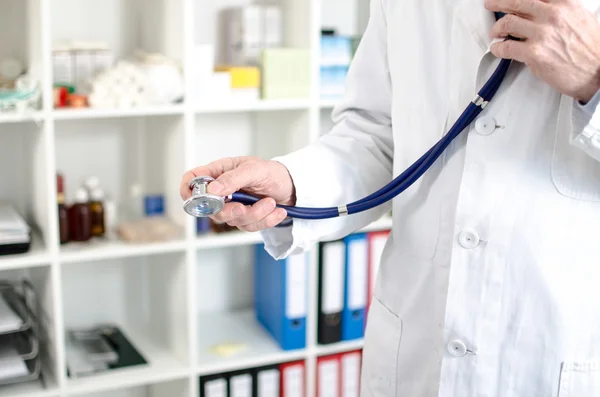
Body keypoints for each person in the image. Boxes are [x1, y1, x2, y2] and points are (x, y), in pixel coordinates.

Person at [181, 0, 600, 395]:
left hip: (557, 350)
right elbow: (377, 135)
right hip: (417, 346)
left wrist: (595, 76)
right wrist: (291, 184)